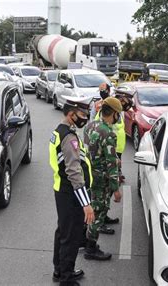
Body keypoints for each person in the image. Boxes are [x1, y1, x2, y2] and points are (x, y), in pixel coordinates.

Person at [49, 95, 95, 286]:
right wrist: (86, 203)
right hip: (71, 193)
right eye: (81, 114)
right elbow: (74, 172)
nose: (85, 117)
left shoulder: (60, 131)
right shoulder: (68, 136)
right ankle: (66, 278)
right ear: (70, 114)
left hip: (62, 190)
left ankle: (60, 270)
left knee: (63, 232)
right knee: (72, 235)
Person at [83, 97, 122, 261]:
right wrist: (116, 189)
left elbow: (88, 151)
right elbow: (111, 164)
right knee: (98, 214)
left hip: (91, 176)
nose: (119, 117)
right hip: (102, 180)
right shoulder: (108, 133)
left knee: (95, 209)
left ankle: (86, 242)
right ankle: (90, 249)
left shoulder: (90, 126)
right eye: (118, 114)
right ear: (113, 113)